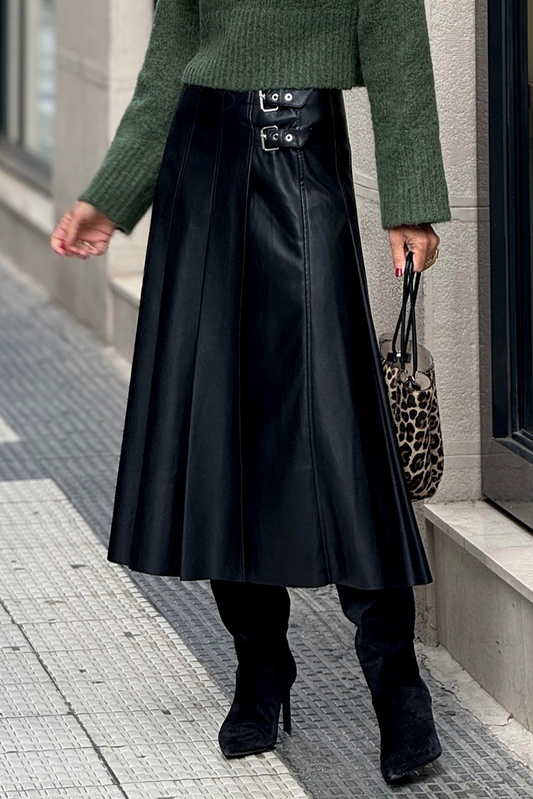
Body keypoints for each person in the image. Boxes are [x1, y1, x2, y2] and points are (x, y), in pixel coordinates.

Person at [50, 0, 450, 785]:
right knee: (219, 427)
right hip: (200, 168)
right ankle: (261, 672)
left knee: (340, 437)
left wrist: (410, 200)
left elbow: (396, 38)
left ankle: (396, 684)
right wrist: (114, 192)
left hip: (299, 155)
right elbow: (174, 53)